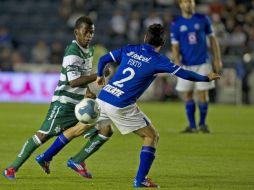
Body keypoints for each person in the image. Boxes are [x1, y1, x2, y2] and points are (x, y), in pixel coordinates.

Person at [93, 24, 219, 187]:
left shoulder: (130, 49)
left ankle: (51, 155)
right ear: (163, 42)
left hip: (105, 96)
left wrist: (99, 76)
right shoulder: (159, 60)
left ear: (145, 37)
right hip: (121, 104)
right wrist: (205, 78)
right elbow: (183, 73)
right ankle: (140, 180)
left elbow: (103, 59)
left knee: (79, 127)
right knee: (151, 136)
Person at [3, 16, 112, 180]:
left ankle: (76, 160)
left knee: (106, 129)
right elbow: (73, 81)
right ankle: (12, 168)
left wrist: (88, 91)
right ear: (77, 32)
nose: (89, 36)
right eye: (86, 32)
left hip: (80, 102)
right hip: (64, 103)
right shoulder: (73, 52)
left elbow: (82, 75)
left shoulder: (88, 50)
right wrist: (97, 75)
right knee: (42, 136)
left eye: (92, 32)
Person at [170, 0, 223, 133]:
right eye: (186, 2)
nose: (189, 5)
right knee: (187, 95)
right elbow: (175, 45)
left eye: (191, 2)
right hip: (186, 64)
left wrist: (217, 59)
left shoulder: (203, 19)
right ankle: (192, 126)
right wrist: (177, 62)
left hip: (203, 62)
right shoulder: (176, 23)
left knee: (203, 94)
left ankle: (202, 124)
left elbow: (213, 40)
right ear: (181, 4)